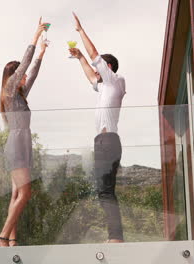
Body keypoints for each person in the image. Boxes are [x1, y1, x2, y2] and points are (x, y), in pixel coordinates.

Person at [69, 12, 126, 243]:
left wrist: (81, 31)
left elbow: (95, 57)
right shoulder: (104, 88)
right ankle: (115, 236)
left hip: (108, 141)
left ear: (107, 67)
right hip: (102, 142)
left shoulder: (115, 80)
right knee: (104, 191)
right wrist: (80, 56)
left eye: (99, 67)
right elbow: (89, 75)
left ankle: (116, 237)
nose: (96, 71)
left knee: (104, 191)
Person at [0, 17, 49, 247]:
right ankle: (3, 237)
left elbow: (33, 72)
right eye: (20, 74)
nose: (24, 76)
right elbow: (25, 66)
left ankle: (11, 240)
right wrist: (35, 35)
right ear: (13, 76)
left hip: (22, 144)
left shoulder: (19, 96)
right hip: (17, 145)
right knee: (26, 192)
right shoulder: (9, 90)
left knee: (16, 194)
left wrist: (42, 52)